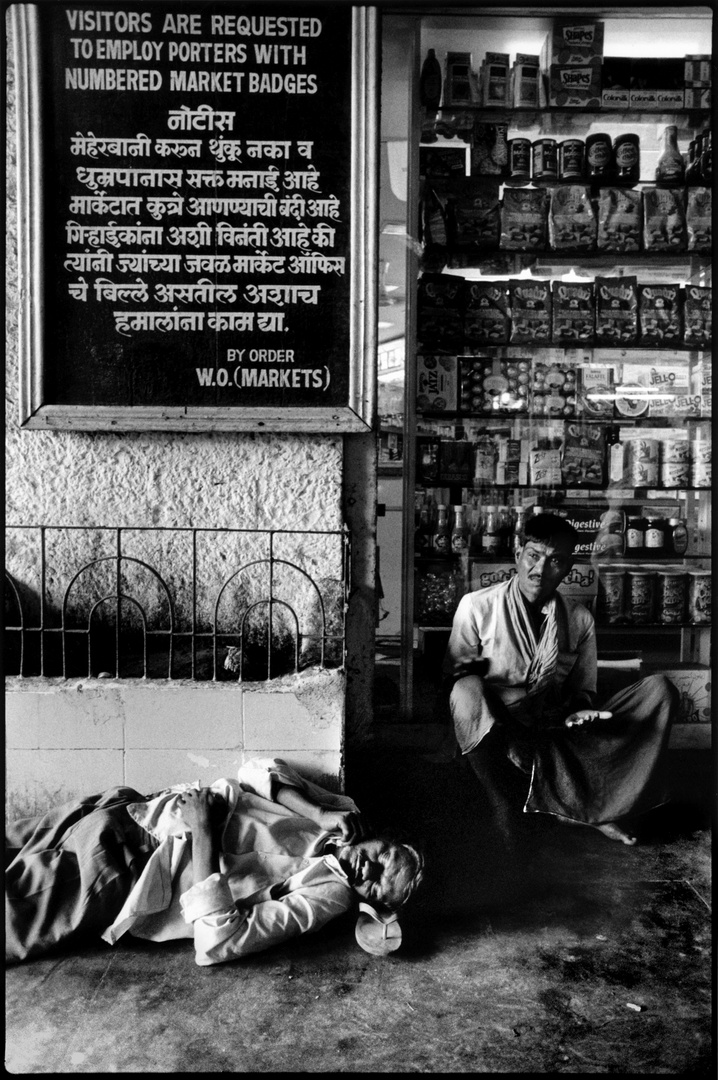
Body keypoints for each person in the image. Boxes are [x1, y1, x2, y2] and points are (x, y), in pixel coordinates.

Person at [6, 757, 424, 965]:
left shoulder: (325, 896)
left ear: (371, 903)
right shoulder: (343, 818)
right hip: (123, 810)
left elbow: (218, 942)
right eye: (386, 855)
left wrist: (204, 831)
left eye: (379, 882)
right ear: (381, 839)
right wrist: (319, 812)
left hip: (121, 869)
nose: (372, 867)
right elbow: (259, 768)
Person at [444, 513, 678, 851]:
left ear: (568, 567)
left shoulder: (579, 618)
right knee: (465, 690)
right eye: (534, 555)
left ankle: (582, 809)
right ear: (517, 555)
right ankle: (504, 805)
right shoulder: (477, 606)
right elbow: (450, 681)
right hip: (499, 731)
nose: (540, 569)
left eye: (555, 560)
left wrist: (580, 713)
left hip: (553, 728)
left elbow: (583, 690)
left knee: (660, 691)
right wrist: (472, 676)